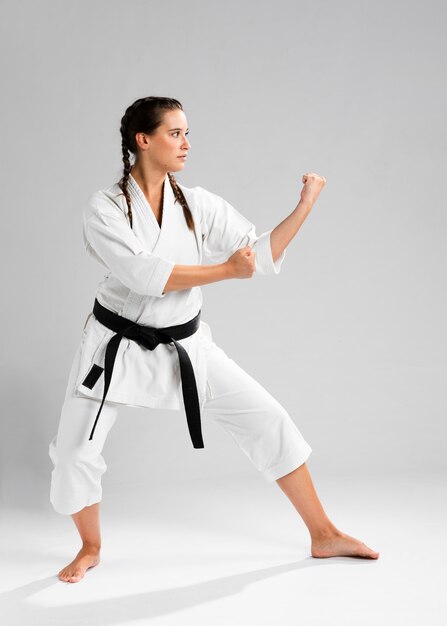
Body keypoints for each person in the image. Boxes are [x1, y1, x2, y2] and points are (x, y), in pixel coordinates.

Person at [49, 96, 380, 583]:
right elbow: (144, 275)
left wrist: (304, 205)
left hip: (186, 346)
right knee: (74, 453)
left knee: (268, 418)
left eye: (187, 133)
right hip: (115, 347)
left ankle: (323, 533)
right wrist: (224, 271)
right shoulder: (106, 208)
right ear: (144, 140)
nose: (186, 143)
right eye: (175, 133)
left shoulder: (197, 205)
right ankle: (90, 546)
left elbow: (260, 255)